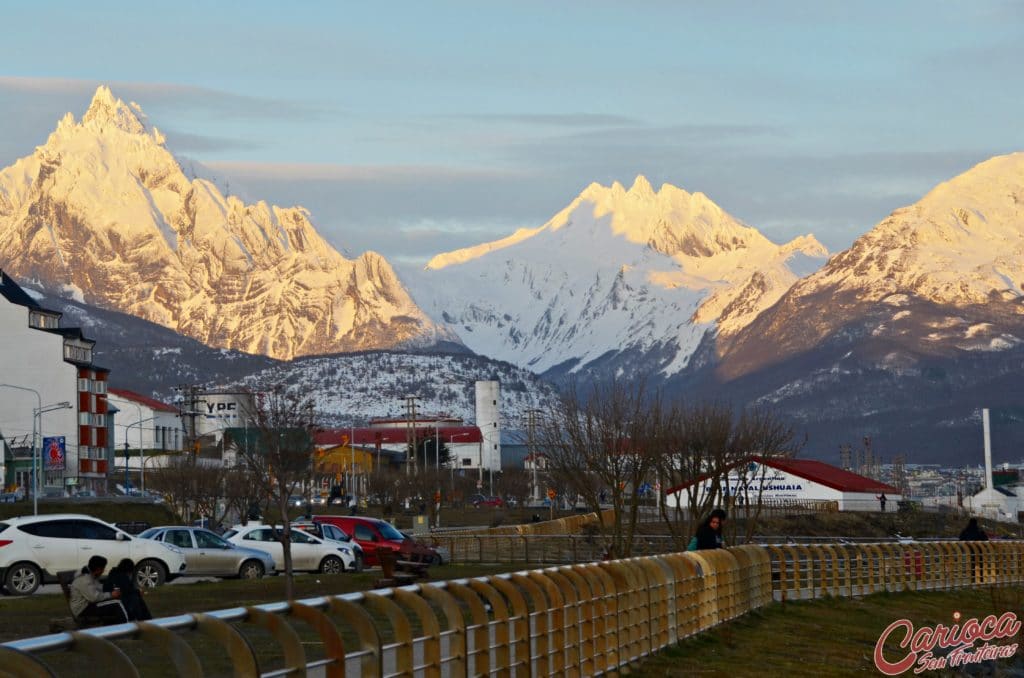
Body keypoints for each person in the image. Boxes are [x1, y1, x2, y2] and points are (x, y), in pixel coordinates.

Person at [70, 556, 128, 626]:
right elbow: (94, 597)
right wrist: (111, 594)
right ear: (98, 569)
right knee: (117, 603)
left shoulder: (90, 575)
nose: (103, 571)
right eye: (103, 568)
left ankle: (114, 629)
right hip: (83, 610)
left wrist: (111, 588)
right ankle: (127, 628)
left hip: (89, 605)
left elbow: (99, 587)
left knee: (116, 600)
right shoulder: (84, 579)